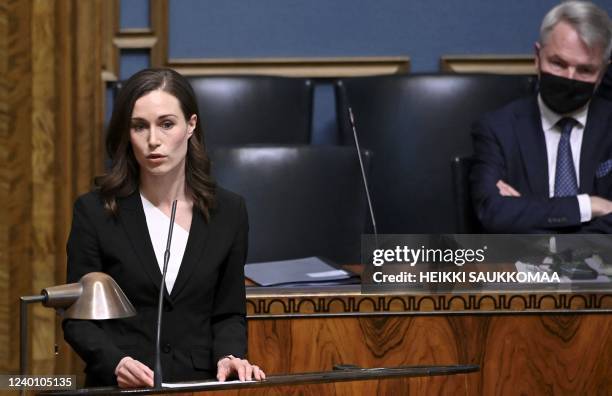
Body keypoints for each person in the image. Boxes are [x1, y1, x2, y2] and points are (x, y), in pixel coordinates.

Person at [63, 68, 265, 387]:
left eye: (166, 124)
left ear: (191, 126)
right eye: (140, 127)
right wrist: (115, 361)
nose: (153, 141)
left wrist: (229, 355)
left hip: (198, 385)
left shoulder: (229, 212)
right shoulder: (95, 212)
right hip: (121, 386)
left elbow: (229, 313)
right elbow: (78, 321)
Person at [470, 1, 612, 233]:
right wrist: (590, 205)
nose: (570, 78)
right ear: (537, 57)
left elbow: (513, 219)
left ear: (603, 73)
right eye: (558, 64)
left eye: (585, 70)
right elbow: (494, 213)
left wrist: (527, 214)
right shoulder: (498, 129)